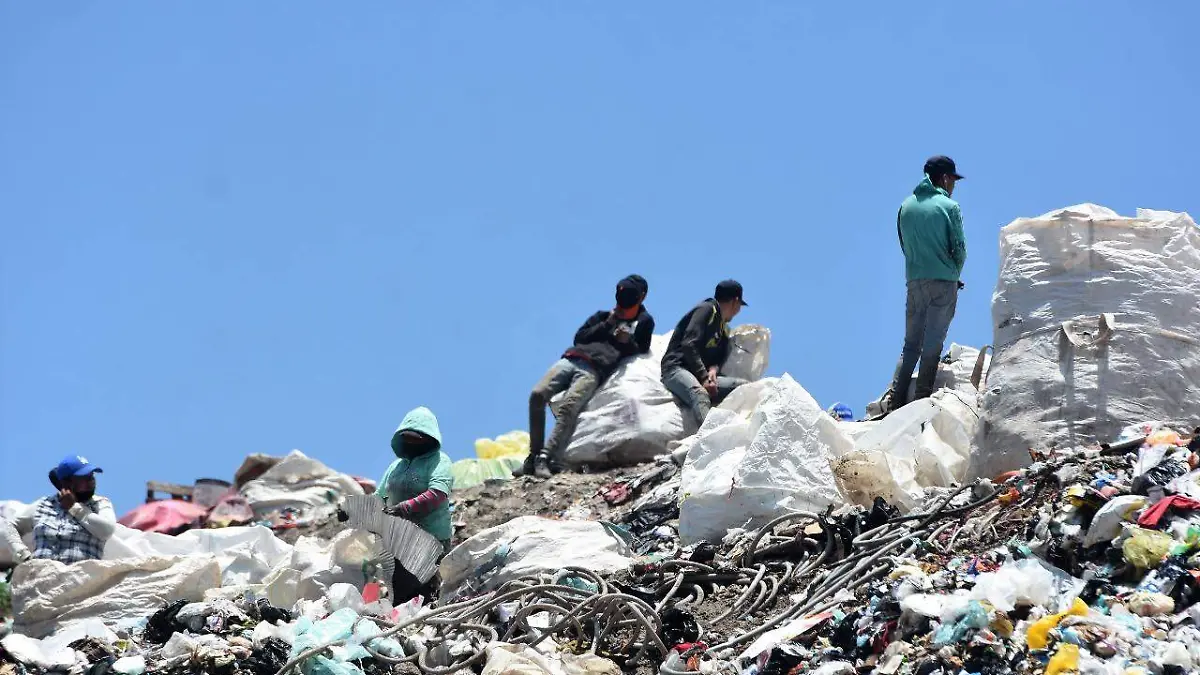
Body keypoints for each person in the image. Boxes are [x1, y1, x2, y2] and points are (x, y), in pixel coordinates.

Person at [518, 275, 655, 479]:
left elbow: (641, 349)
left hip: (594, 369)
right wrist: (607, 324)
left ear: (641, 298)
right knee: (537, 395)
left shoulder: (644, 322)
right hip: (571, 359)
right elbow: (580, 337)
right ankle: (533, 456)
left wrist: (626, 342)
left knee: (568, 408)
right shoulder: (602, 316)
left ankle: (545, 458)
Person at [887, 155, 967, 411]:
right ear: (944, 178)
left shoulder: (905, 206)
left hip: (915, 281)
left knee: (911, 344)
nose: (953, 186)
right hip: (943, 283)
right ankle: (921, 401)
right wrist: (953, 274)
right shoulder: (949, 206)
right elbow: (960, 248)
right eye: (953, 180)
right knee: (933, 343)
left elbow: (904, 245)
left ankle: (895, 400)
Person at [374, 406, 455, 601]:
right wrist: (352, 509)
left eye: (416, 439)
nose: (411, 443)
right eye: (407, 438)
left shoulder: (439, 461)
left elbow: (437, 494)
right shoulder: (396, 467)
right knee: (397, 588)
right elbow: (379, 496)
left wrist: (404, 509)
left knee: (414, 588)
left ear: (429, 439)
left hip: (431, 539)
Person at [661, 280, 750, 428]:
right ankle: (710, 440)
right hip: (675, 369)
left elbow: (718, 357)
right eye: (739, 305)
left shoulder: (723, 328)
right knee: (700, 395)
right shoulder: (707, 309)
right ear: (735, 301)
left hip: (698, 374)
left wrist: (713, 370)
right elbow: (689, 344)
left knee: (743, 387)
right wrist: (704, 377)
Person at [0, 456, 116, 565]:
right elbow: (9, 526)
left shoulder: (100, 503)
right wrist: (21, 553)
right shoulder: (43, 504)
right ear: (66, 483)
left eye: (91, 476)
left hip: (83, 580)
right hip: (41, 578)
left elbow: (107, 530)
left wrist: (75, 508)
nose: (91, 482)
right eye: (84, 478)